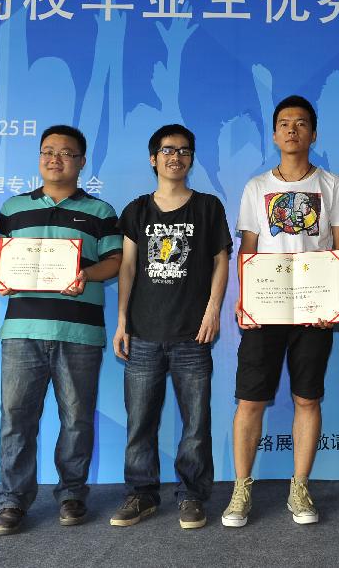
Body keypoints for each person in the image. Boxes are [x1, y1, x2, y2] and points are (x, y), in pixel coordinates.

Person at [222, 95, 339, 527]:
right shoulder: (257, 187)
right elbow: (249, 251)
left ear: (313, 133)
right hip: (266, 310)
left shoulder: (332, 185)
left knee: (306, 398)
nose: (292, 130)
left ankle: (300, 487)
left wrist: (330, 299)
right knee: (250, 401)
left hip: (315, 311)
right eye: (283, 123)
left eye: (300, 123)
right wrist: (247, 302)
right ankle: (241, 489)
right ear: (275, 134)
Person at [0, 125, 123, 535]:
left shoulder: (101, 211)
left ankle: (71, 494)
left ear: (81, 162)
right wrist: (0, 277)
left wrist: (85, 274)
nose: (55, 159)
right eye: (48, 151)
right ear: (39, 157)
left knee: (78, 418)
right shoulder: (13, 208)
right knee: (16, 417)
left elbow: (115, 262)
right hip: (22, 330)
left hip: (79, 332)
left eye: (66, 153)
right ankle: (13, 501)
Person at [110, 124, 231, 529]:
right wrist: (122, 321)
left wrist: (213, 309)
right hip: (143, 334)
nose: (175, 157)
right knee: (139, 422)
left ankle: (192, 496)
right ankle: (141, 494)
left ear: (191, 158)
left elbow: (220, 261)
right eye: (166, 150)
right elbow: (127, 267)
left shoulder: (208, 207)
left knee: (196, 424)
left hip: (192, 337)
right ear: (153, 158)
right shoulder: (136, 210)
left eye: (183, 150)